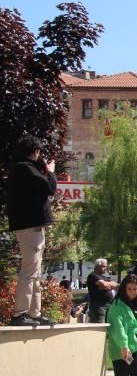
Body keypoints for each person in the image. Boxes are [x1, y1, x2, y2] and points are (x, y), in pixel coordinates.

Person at [6, 135, 57, 326]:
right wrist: (50, 172)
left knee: (35, 270)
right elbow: (49, 187)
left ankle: (34, 313)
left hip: (30, 227)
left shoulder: (22, 169)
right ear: (35, 151)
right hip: (30, 227)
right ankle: (20, 314)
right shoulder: (24, 168)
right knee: (30, 270)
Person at [86, 258, 118, 324]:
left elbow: (113, 285)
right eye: (104, 266)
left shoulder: (103, 277)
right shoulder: (93, 276)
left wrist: (109, 285)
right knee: (99, 328)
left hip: (108, 306)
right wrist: (108, 285)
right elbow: (105, 285)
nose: (106, 268)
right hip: (99, 307)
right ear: (98, 266)